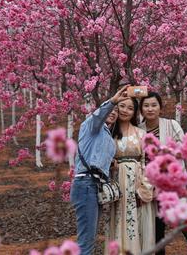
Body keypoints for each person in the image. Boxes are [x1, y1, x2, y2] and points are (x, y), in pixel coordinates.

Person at [70, 85, 129, 255]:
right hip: (86, 184)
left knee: (90, 237)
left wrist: (110, 164)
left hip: (94, 185)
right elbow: (99, 115)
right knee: (86, 242)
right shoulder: (91, 124)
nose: (113, 112)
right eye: (112, 109)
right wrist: (112, 101)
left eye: (116, 111)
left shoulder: (106, 136)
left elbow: (95, 156)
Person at [106, 97, 155, 254]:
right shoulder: (107, 133)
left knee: (136, 222)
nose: (125, 110)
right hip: (116, 184)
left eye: (130, 108)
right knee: (117, 220)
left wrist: (145, 188)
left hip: (136, 183)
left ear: (134, 112)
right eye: (122, 106)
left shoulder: (141, 133)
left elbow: (147, 161)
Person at [138, 91, 185, 254]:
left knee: (184, 222)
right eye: (146, 105)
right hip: (150, 185)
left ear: (160, 107)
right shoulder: (139, 130)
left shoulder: (171, 125)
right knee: (157, 229)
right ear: (141, 109)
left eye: (153, 105)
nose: (150, 109)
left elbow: (183, 149)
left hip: (171, 183)